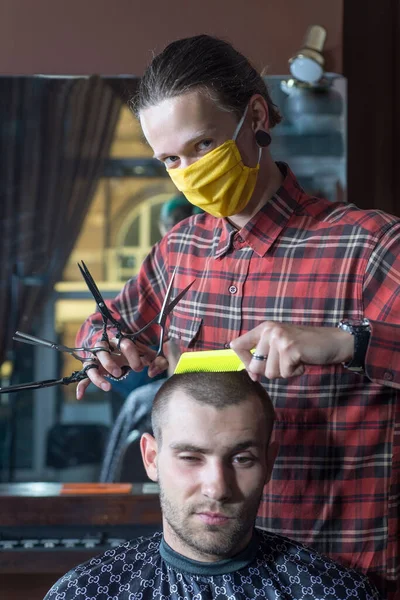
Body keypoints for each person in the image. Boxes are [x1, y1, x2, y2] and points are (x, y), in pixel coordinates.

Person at [74, 35, 400, 598]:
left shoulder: (368, 245)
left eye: (202, 145)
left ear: (253, 116)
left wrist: (347, 342)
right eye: (170, 160)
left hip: (342, 578)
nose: (188, 172)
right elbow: (106, 325)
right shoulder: (179, 253)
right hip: (203, 580)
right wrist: (106, 345)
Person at [45, 371, 381, 600]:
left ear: (269, 462)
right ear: (151, 458)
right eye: (190, 458)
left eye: (241, 459)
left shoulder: (334, 592)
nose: (218, 488)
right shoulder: (86, 592)